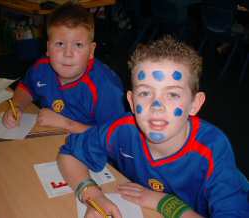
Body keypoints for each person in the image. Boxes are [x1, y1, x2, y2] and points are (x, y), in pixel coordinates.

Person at [57, 36, 249, 217]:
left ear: (195, 104)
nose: (157, 108)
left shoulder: (213, 149)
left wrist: (165, 203)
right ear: (131, 102)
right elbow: (69, 153)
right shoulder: (123, 129)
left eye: (172, 94)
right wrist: (93, 196)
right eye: (145, 93)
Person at [2, 2, 126, 133]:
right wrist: (17, 106)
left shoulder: (106, 88)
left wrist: (67, 124)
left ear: (91, 51)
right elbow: (27, 88)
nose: (68, 54)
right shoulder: (42, 68)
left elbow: (116, 137)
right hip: (50, 138)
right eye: (60, 44)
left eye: (78, 45)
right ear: (48, 48)